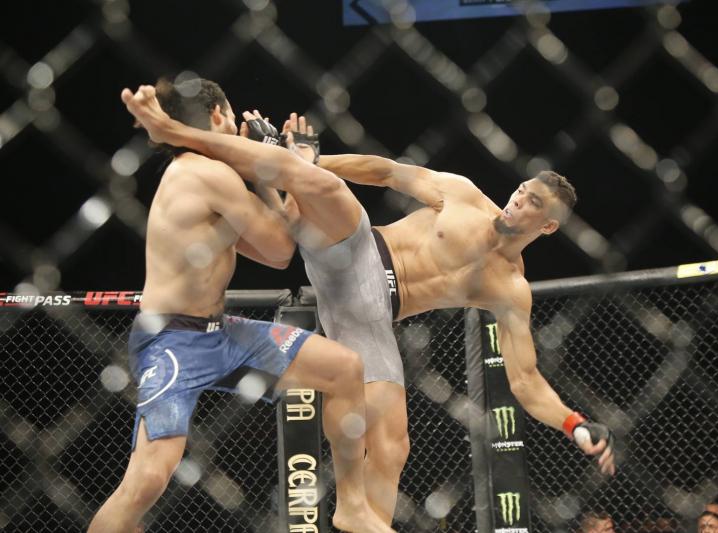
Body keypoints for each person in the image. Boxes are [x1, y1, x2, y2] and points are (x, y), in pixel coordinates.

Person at [119, 84, 617, 525]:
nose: (519, 202)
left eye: (534, 204)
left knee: (392, 446)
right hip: (357, 252)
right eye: (523, 191)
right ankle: (264, 157)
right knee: (324, 188)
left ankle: (363, 521)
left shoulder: (510, 289)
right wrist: (314, 164)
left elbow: (525, 380)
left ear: (548, 226)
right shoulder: (463, 196)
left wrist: (574, 423)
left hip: (368, 316)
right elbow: (385, 172)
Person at [92, 79, 393, 533]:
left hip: (221, 332)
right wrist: (277, 167)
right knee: (148, 479)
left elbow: (275, 252)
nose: (238, 128)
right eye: (232, 117)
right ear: (216, 115)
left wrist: (277, 170)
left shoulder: (214, 177)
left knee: (343, 368)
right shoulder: (204, 173)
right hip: (172, 339)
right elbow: (281, 244)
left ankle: (352, 507)